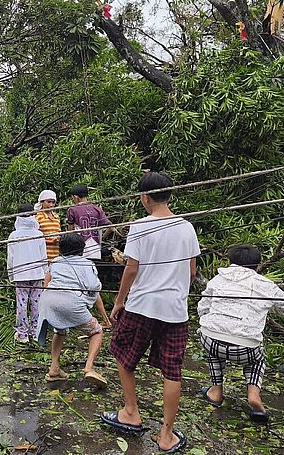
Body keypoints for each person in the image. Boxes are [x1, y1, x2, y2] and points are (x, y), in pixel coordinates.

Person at [101, 172, 200, 455]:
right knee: (172, 370)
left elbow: (131, 268)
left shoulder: (140, 226)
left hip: (142, 306)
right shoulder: (187, 228)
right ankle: (166, 435)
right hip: (175, 311)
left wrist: (119, 301)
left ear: (145, 198)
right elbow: (191, 272)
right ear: (169, 195)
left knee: (121, 349)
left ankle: (131, 411)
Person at [197, 244, 284, 423]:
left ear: (230, 262)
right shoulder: (266, 285)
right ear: (258, 266)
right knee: (257, 359)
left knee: (212, 346)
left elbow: (202, 309)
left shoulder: (217, 280)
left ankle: (215, 391)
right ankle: (253, 395)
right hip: (245, 348)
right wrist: (271, 307)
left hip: (211, 339)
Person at [36, 233, 111, 387]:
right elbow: (94, 287)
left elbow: (46, 283)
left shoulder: (55, 262)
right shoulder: (87, 264)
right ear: (81, 249)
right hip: (70, 302)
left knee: (60, 330)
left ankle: (54, 369)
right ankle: (89, 368)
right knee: (96, 331)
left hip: (48, 300)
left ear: (60, 248)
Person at [7, 204, 48, 343]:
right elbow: (44, 256)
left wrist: (11, 275)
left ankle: (22, 334)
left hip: (20, 274)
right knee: (36, 303)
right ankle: (36, 332)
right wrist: (45, 272)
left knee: (21, 304)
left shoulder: (14, 235)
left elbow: (10, 257)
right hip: (37, 273)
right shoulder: (39, 234)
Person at [66, 184, 112, 260]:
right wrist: (102, 238)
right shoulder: (97, 209)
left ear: (76, 197)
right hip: (96, 250)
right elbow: (111, 228)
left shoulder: (73, 209)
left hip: (79, 251)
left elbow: (70, 232)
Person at [34, 190, 61, 262]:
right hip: (43, 255)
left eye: (53, 202)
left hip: (56, 255)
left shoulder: (56, 217)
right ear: (42, 202)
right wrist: (50, 241)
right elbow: (35, 238)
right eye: (48, 202)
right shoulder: (37, 217)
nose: (51, 205)